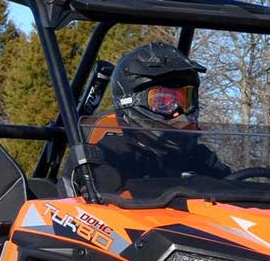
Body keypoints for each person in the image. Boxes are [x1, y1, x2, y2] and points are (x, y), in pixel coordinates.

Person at [95, 42, 230, 188]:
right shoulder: (113, 155)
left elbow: (234, 188)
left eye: (186, 100)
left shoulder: (199, 158)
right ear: (130, 101)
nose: (178, 111)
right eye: (163, 101)